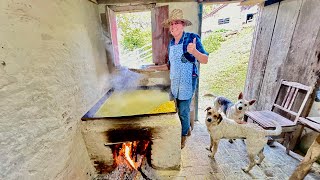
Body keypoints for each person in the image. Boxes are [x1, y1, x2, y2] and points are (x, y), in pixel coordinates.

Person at [147, 9, 209, 149]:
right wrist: (150, 68)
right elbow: (170, 65)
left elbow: (204, 60)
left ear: (183, 25)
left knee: (183, 111)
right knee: (175, 109)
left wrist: (194, 51)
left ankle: (184, 134)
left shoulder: (192, 38)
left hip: (187, 82)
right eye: (171, 24)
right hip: (175, 82)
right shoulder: (171, 43)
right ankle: (183, 129)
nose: (173, 26)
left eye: (177, 23)